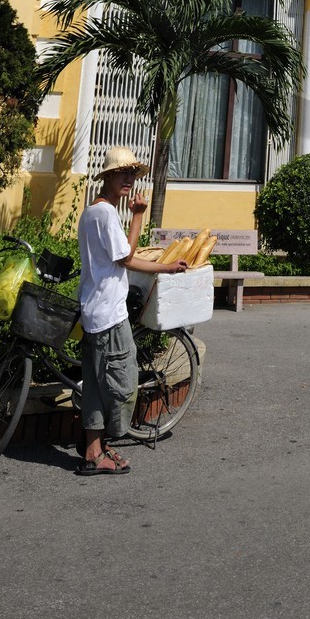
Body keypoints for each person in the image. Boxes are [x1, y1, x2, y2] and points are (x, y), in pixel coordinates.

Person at [76, 146, 188, 476]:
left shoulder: (91, 213)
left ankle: (94, 452)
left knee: (95, 386)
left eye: (132, 174)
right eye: (122, 173)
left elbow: (117, 258)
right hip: (109, 315)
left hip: (93, 312)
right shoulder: (106, 214)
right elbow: (126, 257)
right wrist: (139, 216)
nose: (128, 178)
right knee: (124, 385)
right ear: (107, 176)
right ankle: (106, 443)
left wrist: (163, 267)